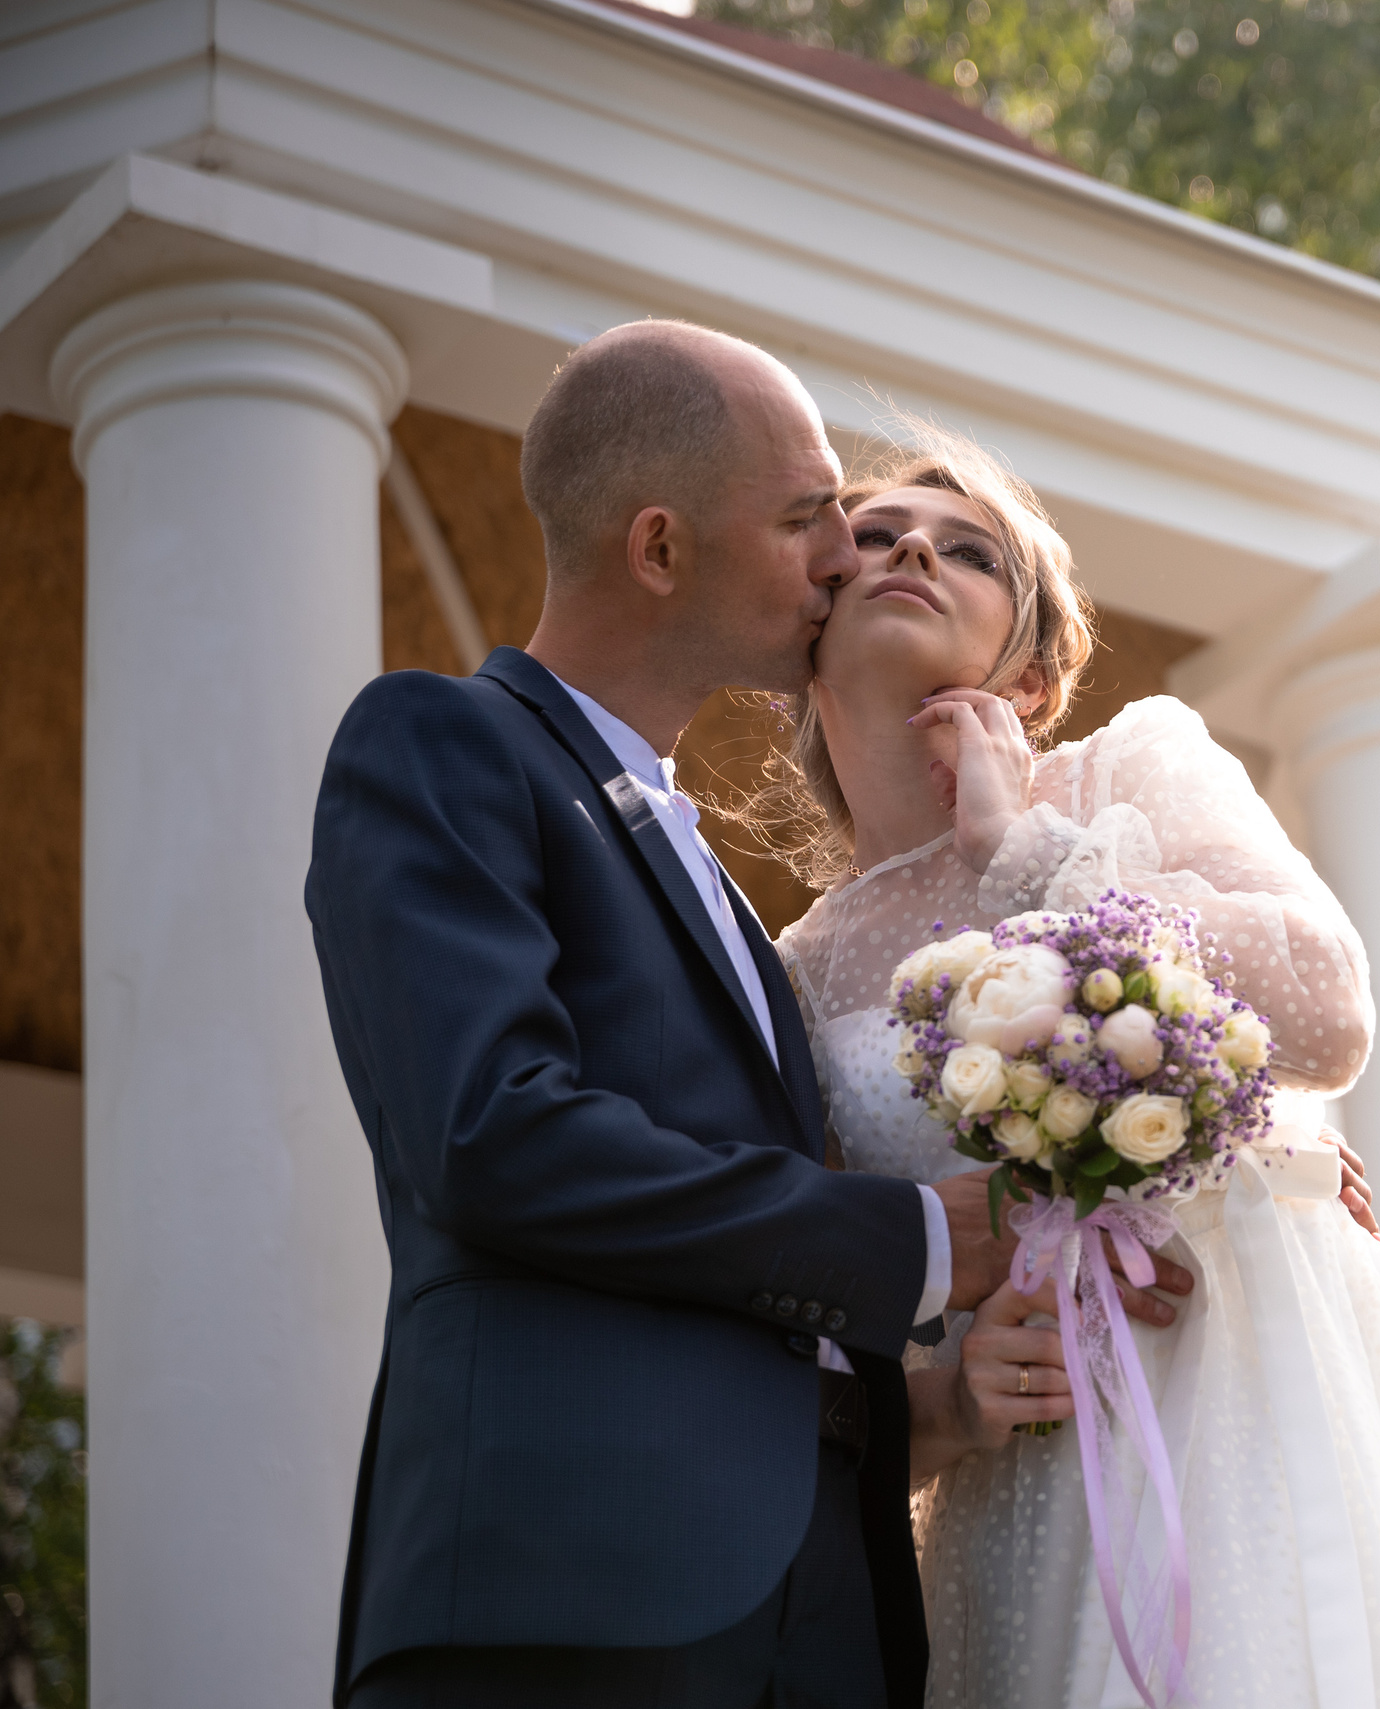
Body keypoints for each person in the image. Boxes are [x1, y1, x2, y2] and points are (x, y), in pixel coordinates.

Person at [303, 323, 1193, 1708]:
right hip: (566, 1599)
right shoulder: (442, 743)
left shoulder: (726, 891)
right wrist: (912, 1238)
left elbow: (749, 1289)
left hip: (826, 1615)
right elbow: (490, 1133)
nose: (847, 559)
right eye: (807, 520)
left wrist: (940, 1403)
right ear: (660, 549)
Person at [764, 427, 1380, 1707]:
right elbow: (811, 1280)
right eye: (875, 537)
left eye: (969, 550)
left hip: (1243, 1373)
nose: (913, 554)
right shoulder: (797, 968)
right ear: (806, 628)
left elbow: (1324, 1006)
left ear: (1035, 674)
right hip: (1029, 1444)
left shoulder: (1129, 768)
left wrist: (1028, 854)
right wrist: (943, 1390)